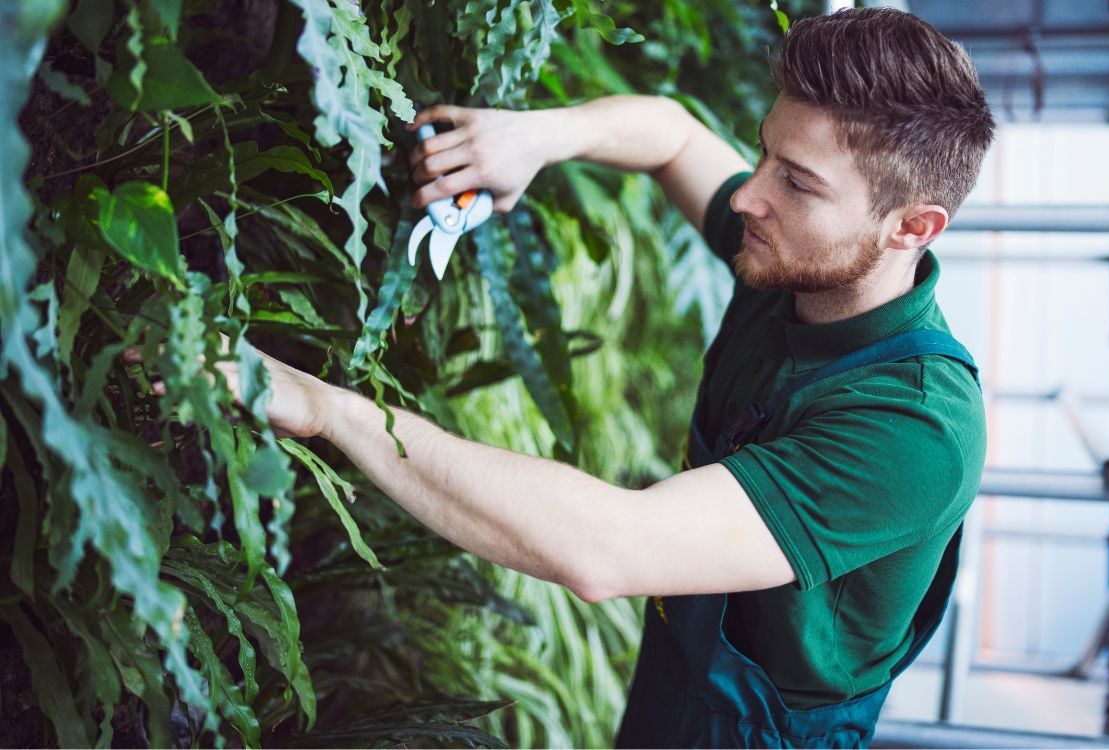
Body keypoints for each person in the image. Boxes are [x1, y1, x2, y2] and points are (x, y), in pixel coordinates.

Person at [163, 7, 994, 747]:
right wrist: (536, 136)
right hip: (681, 669)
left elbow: (607, 548)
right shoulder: (800, 259)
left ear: (911, 227)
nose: (750, 197)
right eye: (766, 154)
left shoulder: (915, 430)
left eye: (797, 182)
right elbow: (671, 134)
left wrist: (325, 409)